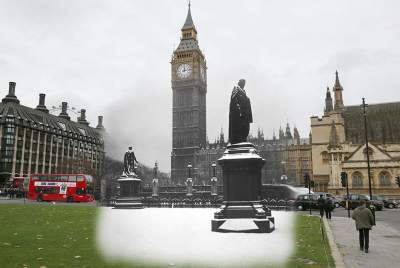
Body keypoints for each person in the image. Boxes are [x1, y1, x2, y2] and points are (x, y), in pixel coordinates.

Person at [228, 79, 253, 144]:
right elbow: (233, 101)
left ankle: (243, 140)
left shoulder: (243, 92)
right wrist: (238, 110)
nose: (244, 84)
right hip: (239, 116)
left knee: (245, 130)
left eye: (244, 83)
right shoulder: (236, 90)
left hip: (245, 116)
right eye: (243, 83)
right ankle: (239, 141)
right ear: (239, 83)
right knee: (240, 130)